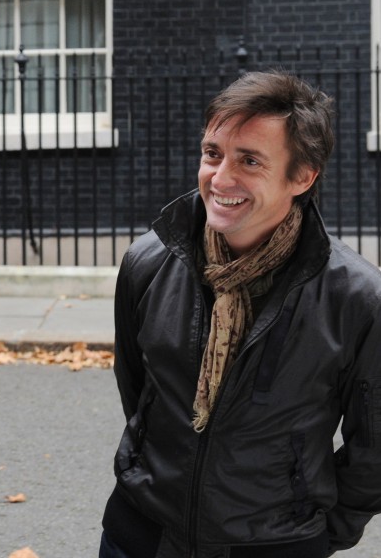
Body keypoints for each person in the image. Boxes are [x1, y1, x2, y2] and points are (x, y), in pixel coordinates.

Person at [100, 71, 381, 557]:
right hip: (141, 534)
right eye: (213, 154)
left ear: (302, 176)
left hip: (274, 544)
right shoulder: (147, 263)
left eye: (249, 160)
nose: (221, 178)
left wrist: (315, 533)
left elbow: (374, 449)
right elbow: (140, 394)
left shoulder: (355, 297)